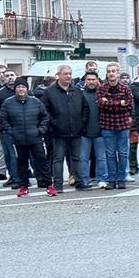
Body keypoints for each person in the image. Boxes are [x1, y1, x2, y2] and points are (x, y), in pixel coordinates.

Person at [0, 80, 54, 197]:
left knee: (42, 161)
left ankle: (49, 185)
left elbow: (45, 117)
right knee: (22, 163)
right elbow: (3, 119)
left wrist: (41, 130)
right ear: (15, 89)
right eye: (18, 87)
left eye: (23, 87)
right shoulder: (8, 103)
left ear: (27, 89)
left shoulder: (36, 101)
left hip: (35, 138)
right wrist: (11, 131)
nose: (21, 89)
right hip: (18, 139)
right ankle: (23, 186)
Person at [40, 64, 88, 193]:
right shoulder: (50, 92)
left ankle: (79, 182)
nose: (68, 76)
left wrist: (82, 123)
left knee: (76, 158)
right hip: (58, 132)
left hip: (76, 131)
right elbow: (44, 110)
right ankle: (58, 185)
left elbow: (85, 108)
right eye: (65, 74)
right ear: (58, 75)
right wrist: (53, 123)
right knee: (58, 159)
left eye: (70, 74)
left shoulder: (77, 91)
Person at [96, 63, 133, 190]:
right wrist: (119, 103)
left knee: (123, 153)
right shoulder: (101, 88)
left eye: (114, 71)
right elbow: (101, 105)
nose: (111, 73)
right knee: (110, 154)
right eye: (109, 71)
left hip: (123, 125)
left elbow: (129, 105)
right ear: (106, 74)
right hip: (107, 125)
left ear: (118, 73)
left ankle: (121, 179)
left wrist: (110, 102)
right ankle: (111, 179)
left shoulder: (125, 89)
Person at [79, 71, 106, 189]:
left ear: (97, 81)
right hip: (84, 132)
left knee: (101, 158)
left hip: (101, 131)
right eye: (89, 79)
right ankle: (85, 179)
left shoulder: (102, 94)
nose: (91, 82)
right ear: (85, 81)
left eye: (93, 79)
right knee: (83, 158)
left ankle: (102, 179)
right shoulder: (80, 95)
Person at [0, 69, 18, 187]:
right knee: (9, 153)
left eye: (12, 75)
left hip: (21, 127)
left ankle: (23, 175)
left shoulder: (23, 90)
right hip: (5, 129)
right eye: (7, 76)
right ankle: (13, 176)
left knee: (22, 153)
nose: (10, 77)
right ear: (3, 79)